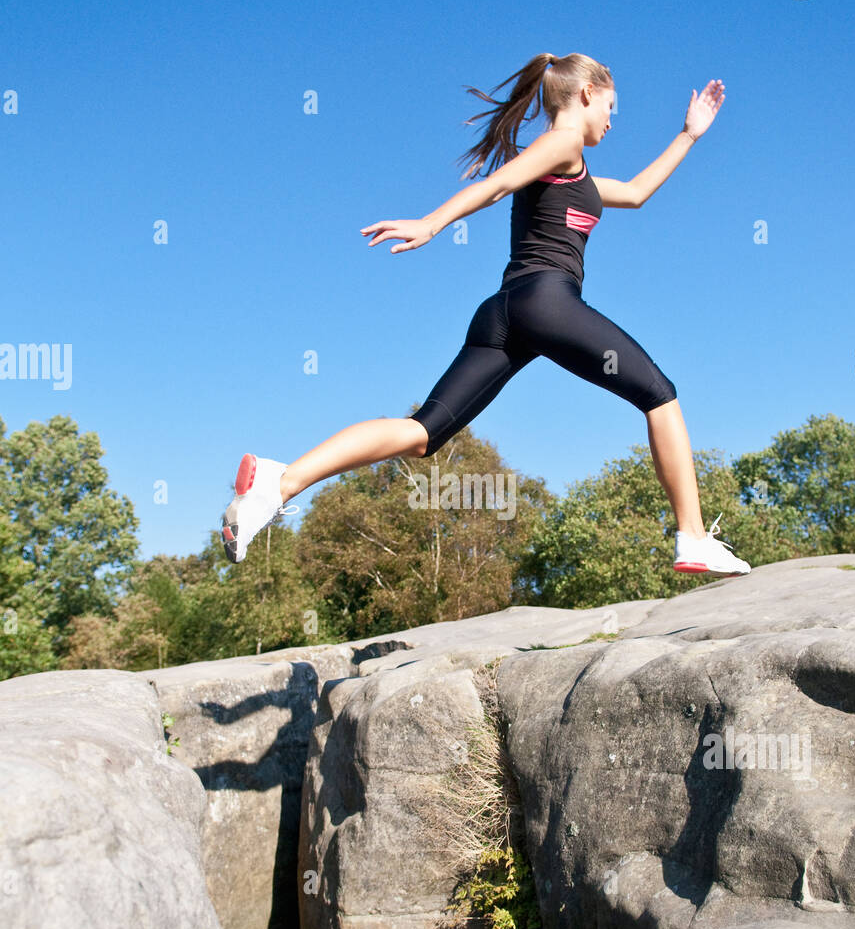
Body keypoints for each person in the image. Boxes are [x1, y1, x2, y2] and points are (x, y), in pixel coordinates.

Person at [221, 51, 750, 578]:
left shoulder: (578, 172)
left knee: (423, 433)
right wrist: (432, 223)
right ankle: (693, 537)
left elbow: (634, 193)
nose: (613, 119)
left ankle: (280, 480)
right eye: (612, 106)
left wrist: (689, 134)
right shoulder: (562, 142)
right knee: (660, 395)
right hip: (546, 302)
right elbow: (497, 184)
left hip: (502, 315)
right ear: (586, 94)